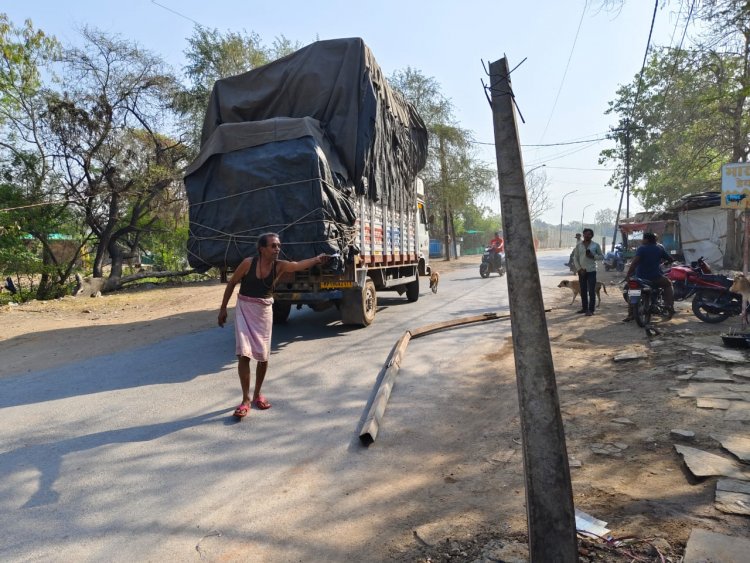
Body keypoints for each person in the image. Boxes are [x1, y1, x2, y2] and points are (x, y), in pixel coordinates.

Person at [218, 232, 330, 419]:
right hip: (245, 309)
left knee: (263, 356)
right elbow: (232, 284)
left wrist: (317, 259)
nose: (277, 248)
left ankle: (257, 394)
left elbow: (298, 265)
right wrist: (222, 309)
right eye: (273, 246)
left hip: (264, 311)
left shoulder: (280, 266)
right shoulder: (248, 263)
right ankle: (245, 400)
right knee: (243, 354)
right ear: (262, 249)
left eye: (278, 245)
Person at [623, 232, 675, 322]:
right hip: (655, 278)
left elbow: (634, 263)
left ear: (646, 240)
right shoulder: (659, 249)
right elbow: (670, 259)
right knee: (668, 284)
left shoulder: (641, 249)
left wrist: (628, 275)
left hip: (640, 278)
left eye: (643, 239)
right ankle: (668, 305)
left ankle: (630, 314)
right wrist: (667, 261)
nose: (642, 240)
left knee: (634, 292)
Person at [571, 228, 604, 316]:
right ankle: (584, 308)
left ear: (592, 236)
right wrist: (579, 269)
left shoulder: (595, 245)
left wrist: (593, 256)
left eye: (589, 234)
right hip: (582, 271)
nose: (587, 236)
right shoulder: (579, 246)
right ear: (583, 235)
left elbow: (601, 257)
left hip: (591, 271)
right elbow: (575, 258)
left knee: (591, 290)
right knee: (583, 290)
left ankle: (591, 309)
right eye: (585, 234)